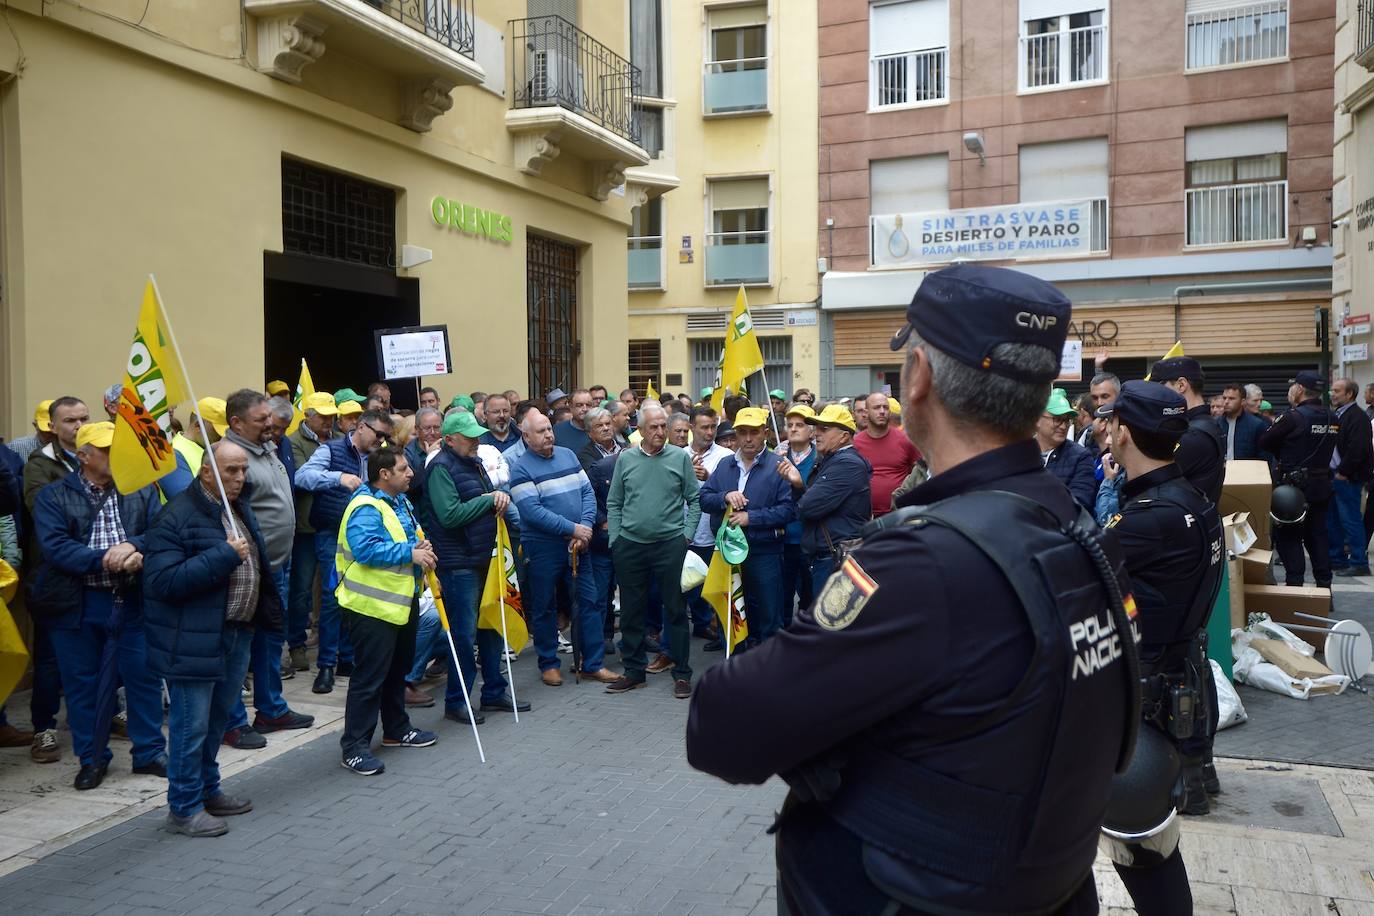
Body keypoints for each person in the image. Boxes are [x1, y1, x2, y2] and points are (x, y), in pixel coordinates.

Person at [687, 264, 1134, 916]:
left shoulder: (927, 558)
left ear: (918, 377)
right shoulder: (1076, 527)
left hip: (917, 893)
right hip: (1043, 885)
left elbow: (722, 725)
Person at [1095, 380, 1222, 909]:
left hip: (1139, 700)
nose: (1103, 430)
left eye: (1109, 422)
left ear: (1124, 432)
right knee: (1144, 838)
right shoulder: (1191, 497)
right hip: (1171, 679)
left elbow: (1078, 576)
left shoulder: (1148, 518)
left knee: (1138, 839)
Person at [143, 441, 280, 837]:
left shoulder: (235, 507)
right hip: (192, 639)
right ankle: (183, 807)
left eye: (242, 470)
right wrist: (223, 556)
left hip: (237, 631)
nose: (240, 478)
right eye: (231, 471)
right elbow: (163, 581)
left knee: (218, 720)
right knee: (191, 726)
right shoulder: (177, 516)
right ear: (206, 472)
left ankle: (208, 789)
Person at [30, 421, 167, 790]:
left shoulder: (140, 488)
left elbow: (160, 530)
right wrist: (107, 558)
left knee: (143, 676)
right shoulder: (54, 496)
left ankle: (150, 752)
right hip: (78, 602)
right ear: (83, 455)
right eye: (105, 449)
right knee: (82, 684)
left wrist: (136, 546)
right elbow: (56, 547)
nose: (114, 455)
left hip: (133, 600)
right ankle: (92, 758)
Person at [335, 447, 438, 776]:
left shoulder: (400, 502)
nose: (411, 473)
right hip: (371, 608)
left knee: (396, 672)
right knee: (369, 679)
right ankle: (354, 746)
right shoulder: (366, 507)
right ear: (384, 475)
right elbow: (365, 550)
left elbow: (407, 540)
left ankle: (396, 729)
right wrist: (411, 553)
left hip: (399, 603)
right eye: (404, 468)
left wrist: (420, 548)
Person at [419, 410, 526, 723]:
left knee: (491, 625)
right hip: (459, 563)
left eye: (477, 435)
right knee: (464, 635)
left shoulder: (474, 461)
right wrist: (490, 499)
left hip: (483, 556)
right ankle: (457, 699)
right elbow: (449, 514)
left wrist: (498, 497)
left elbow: (488, 497)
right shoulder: (440, 467)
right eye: (468, 437)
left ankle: (494, 691)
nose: (476, 441)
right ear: (450, 439)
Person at [220, 390, 312, 748]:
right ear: (236, 423)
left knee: (272, 639)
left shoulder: (269, 448)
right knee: (240, 647)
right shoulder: (230, 459)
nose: (270, 423)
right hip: (249, 572)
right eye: (261, 419)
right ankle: (231, 722)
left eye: (269, 417)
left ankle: (271, 709)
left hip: (279, 565)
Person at [510, 412, 615, 685]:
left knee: (589, 602)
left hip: (579, 543)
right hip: (544, 547)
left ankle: (592, 662)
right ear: (526, 436)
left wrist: (585, 527)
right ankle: (548, 663)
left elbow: (587, 493)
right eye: (541, 431)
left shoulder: (568, 455)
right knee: (545, 606)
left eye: (549, 429)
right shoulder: (521, 468)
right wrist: (572, 529)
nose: (549, 435)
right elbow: (532, 511)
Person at [605, 404, 700, 698]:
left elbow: (694, 500)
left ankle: (682, 673)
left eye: (663, 427)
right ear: (640, 430)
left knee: (674, 610)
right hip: (630, 546)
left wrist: (685, 536)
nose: (660, 432)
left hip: (670, 544)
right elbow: (614, 502)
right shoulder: (626, 459)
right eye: (653, 427)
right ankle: (634, 672)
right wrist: (616, 540)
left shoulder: (679, 458)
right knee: (632, 612)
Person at [296, 409, 394, 692]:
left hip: (366, 535)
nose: (382, 441)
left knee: (359, 595)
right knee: (332, 597)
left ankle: (348, 659)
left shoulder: (381, 455)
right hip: (331, 532)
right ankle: (326, 664)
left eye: (386, 437)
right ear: (362, 427)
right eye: (378, 435)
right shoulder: (331, 449)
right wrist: (338, 478)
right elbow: (303, 476)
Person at [700, 407, 795, 646]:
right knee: (733, 614)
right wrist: (725, 496)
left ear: (765, 433)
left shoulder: (779, 465)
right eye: (742, 432)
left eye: (754, 432)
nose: (748, 438)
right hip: (728, 555)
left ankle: (769, 671)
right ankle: (735, 669)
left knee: (768, 614)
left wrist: (750, 518)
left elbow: (787, 511)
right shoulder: (725, 464)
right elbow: (704, 499)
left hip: (764, 552)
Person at [775, 404, 871, 600]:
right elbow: (808, 502)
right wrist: (798, 484)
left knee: (830, 624)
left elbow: (807, 507)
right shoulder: (830, 459)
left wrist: (801, 488)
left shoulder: (847, 463)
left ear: (844, 436)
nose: (817, 433)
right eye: (816, 427)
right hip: (826, 556)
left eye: (824, 429)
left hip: (836, 558)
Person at [1260, 371, 1336, 588]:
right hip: (1321, 485)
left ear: (1300, 390)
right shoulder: (1333, 416)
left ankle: (1295, 588)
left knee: (1290, 539)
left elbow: (1265, 441)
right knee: (1318, 537)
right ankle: (1324, 587)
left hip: (1293, 489)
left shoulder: (1293, 417)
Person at [285, 392, 336, 673]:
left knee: (331, 589)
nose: (329, 421)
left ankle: (333, 647)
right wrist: (336, 477)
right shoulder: (293, 443)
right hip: (305, 527)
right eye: (323, 416)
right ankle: (297, 645)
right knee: (301, 589)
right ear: (308, 415)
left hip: (330, 524)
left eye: (331, 415)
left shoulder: (338, 439)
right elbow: (304, 478)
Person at [685, 407, 733, 642]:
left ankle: (721, 635)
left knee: (716, 588)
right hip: (685, 533)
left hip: (713, 533)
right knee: (687, 586)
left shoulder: (725, 456)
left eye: (713, 427)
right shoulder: (679, 454)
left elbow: (731, 491)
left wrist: (709, 477)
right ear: (691, 427)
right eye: (704, 427)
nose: (710, 432)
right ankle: (699, 626)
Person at [1151, 356, 1224, 505]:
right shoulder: (1202, 425)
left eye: (1159, 387)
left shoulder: (1193, 434)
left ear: (1181, 385)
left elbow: (1151, 480)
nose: (1154, 395)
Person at [776, 404, 817, 625]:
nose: (793, 429)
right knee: (782, 593)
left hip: (808, 536)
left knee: (809, 595)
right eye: (790, 425)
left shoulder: (821, 459)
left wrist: (798, 483)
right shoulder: (778, 457)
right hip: (782, 537)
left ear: (812, 431)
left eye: (800, 425)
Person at [1328, 378, 1373, 577]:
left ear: (1349, 394)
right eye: (1332, 390)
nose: (1332, 393)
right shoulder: (1338, 415)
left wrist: (1344, 472)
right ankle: (1337, 559)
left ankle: (1359, 562)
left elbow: (1358, 449)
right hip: (1335, 476)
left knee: (1351, 520)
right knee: (1334, 520)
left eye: (1337, 390)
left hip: (1348, 478)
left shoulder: (1358, 417)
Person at [852, 392, 920, 517]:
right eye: (877, 407)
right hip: (864, 516)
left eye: (885, 407)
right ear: (866, 413)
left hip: (899, 514)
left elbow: (920, 472)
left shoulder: (905, 440)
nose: (882, 411)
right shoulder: (856, 444)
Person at [1036, 388, 1098, 511]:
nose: (1064, 426)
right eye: (1057, 419)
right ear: (1037, 419)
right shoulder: (1019, 454)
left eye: (1067, 420)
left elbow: (1079, 503)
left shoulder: (1080, 457)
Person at [1216, 382, 1269, 461]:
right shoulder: (1216, 424)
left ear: (1242, 401)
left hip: (1246, 471)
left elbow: (1265, 456)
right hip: (1221, 471)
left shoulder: (1256, 425)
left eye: (1231, 398)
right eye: (1224, 398)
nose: (1226, 402)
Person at [6, 399, 55, 464]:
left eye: (55, 429)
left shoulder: (70, 449)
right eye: (46, 431)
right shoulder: (16, 447)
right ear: (35, 425)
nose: (51, 433)